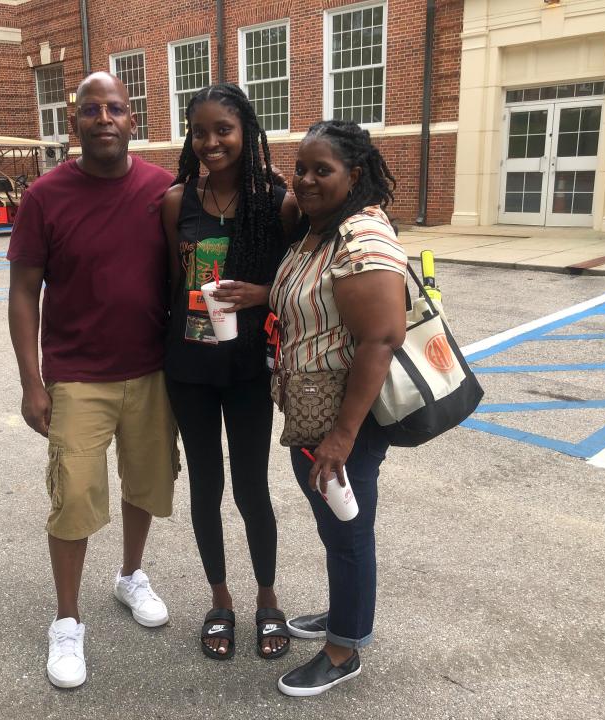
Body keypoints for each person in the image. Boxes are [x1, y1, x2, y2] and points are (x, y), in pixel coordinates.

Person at [7, 72, 179, 689]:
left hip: (152, 369)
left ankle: (131, 576)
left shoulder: (164, 190)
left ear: (134, 120)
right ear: (73, 122)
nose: (103, 118)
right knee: (74, 497)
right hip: (77, 376)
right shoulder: (45, 197)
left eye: (115, 108)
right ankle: (68, 620)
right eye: (90, 109)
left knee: (145, 483)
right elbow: (24, 291)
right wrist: (32, 380)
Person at [268, 120, 407, 697]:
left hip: (344, 420)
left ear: (355, 174)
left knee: (350, 533)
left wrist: (344, 437)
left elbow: (381, 339)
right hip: (312, 411)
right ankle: (343, 613)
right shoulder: (321, 231)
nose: (305, 179)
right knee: (338, 527)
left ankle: (344, 648)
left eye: (321, 170)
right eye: (300, 168)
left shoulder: (361, 238)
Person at [161, 83, 299, 661]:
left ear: (246, 132)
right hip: (190, 367)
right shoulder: (177, 201)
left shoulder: (275, 200)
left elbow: (297, 277)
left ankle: (268, 598)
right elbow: (173, 280)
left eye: (224, 130)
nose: (212, 141)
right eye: (201, 132)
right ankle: (221, 599)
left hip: (245, 369)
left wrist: (261, 293)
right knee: (205, 487)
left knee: (250, 487)